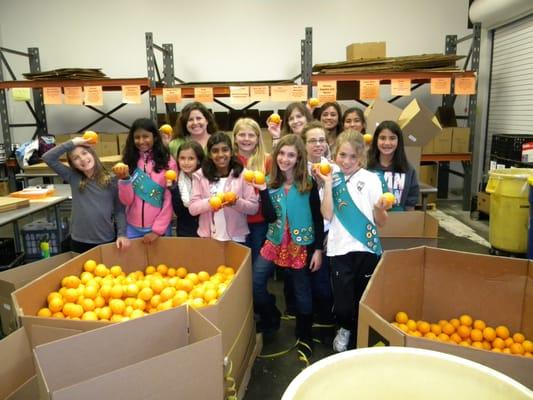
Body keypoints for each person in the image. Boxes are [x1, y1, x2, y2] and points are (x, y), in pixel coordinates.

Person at [250, 134, 324, 364]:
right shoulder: (271, 184)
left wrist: (318, 250)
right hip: (274, 240)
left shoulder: (308, 185)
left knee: (303, 290)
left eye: (291, 154)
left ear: (299, 157)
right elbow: (270, 216)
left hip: (301, 244)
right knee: (255, 280)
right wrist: (262, 190)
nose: (285, 158)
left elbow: (318, 219)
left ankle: (305, 334)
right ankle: (272, 316)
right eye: (281, 153)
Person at [316, 130, 389, 353]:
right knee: (344, 303)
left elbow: (382, 222)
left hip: (367, 249)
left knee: (363, 300)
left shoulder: (372, 179)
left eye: (353, 157)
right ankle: (345, 328)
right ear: (335, 154)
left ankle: (360, 335)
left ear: (361, 158)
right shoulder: (331, 177)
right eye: (342, 155)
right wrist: (327, 183)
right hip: (339, 250)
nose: (347, 161)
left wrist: (379, 209)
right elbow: (327, 214)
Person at [42, 137, 129, 253]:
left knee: (105, 271)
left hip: (105, 239)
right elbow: (48, 158)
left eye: (84, 153)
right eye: (76, 158)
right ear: (73, 164)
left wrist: (122, 234)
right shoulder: (73, 177)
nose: (82, 159)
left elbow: (119, 210)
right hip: (79, 240)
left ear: (92, 154)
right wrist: (73, 142)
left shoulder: (111, 180)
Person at [189, 132, 258, 242]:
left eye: (225, 150)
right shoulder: (200, 175)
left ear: (231, 152)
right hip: (208, 238)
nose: (221, 155)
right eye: (215, 151)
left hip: (237, 238)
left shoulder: (243, 174)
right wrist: (212, 202)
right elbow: (193, 208)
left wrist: (236, 202)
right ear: (210, 154)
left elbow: (253, 208)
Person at [116, 118, 177, 243]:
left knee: (162, 263)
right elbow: (126, 201)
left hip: (160, 229)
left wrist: (157, 231)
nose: (141, 141)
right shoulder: (127, 163)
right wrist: (125, 179)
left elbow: (169, 199)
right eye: (137, 137)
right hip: (132, 227)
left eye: (145, 136)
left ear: (154, 137)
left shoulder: (168, 162)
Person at [233, 118, 271, 263]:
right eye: (242, 135)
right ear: (235, 138)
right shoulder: (230, 160)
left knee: (256, 261)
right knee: (239, 262)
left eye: (251, 135)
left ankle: (256, 286)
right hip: (236, 220)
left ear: (257, 138)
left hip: (259, 221)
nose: (246, 139)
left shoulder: (267, 160)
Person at [367, 120, 420, 211]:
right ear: (376, 140)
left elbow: (410, 203)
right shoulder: (366, 168)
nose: (387, 143)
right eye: (382, 138)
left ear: (399, 141)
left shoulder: (408, 170)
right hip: (371, 221)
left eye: (392, 138)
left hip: (398, 221)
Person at [168, 141, 205, 237]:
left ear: (199, 160)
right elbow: (179, 212)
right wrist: (173, 189)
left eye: (191, 158)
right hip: (184, 232)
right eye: (182, 158)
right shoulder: (175, 181)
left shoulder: (207, 179)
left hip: (206, 231)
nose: (186, 162)